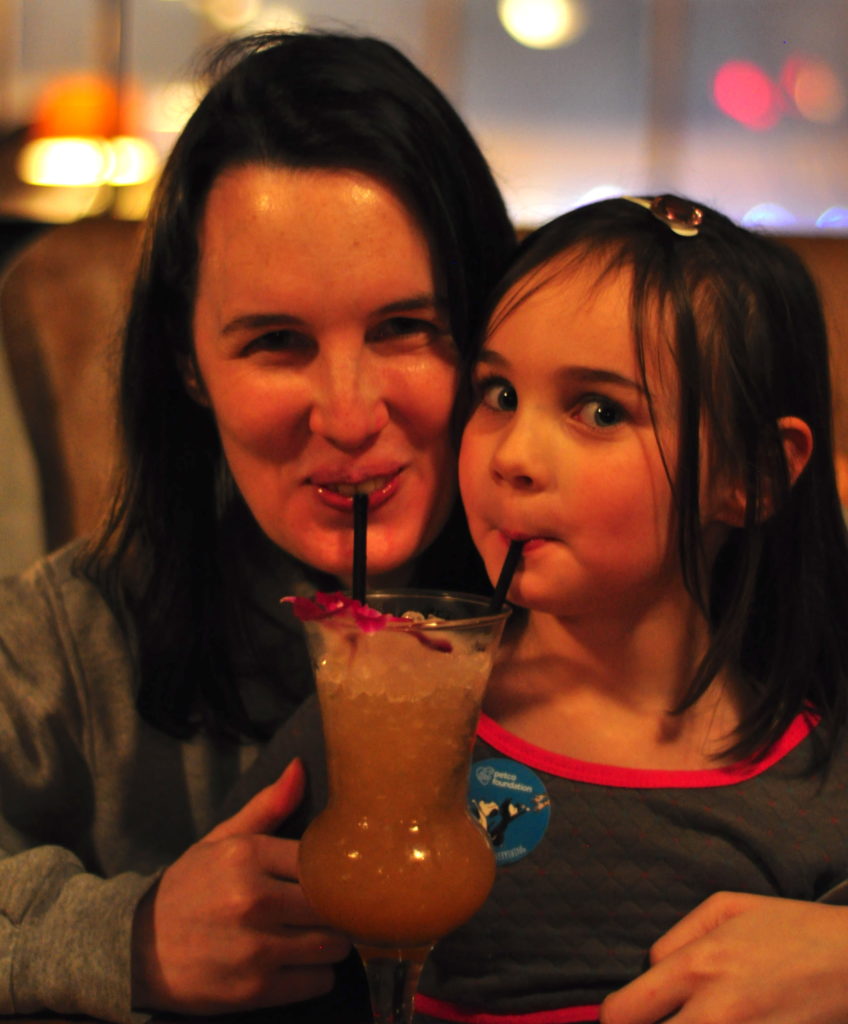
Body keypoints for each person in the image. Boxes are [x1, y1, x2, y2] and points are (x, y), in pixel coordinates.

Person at [228, 194, 848, 1023]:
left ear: (753, 475)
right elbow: (234, 940)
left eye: (600, 410)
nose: (514, 456)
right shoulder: (386, 701)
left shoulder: (813, 793)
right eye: (498, 395)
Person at [0, 29, 515, 1023]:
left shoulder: (615, 600)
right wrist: (127, 936)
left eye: (404, 327)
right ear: (189, 366)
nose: (351, 412)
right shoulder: (81, 635)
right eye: (276, 342)